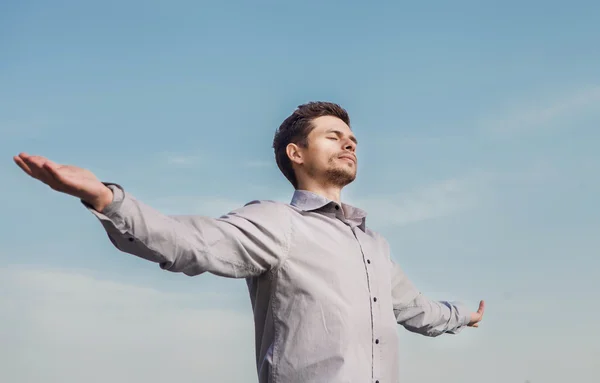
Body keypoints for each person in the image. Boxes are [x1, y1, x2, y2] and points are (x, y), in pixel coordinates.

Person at [14, 101, 484, 383]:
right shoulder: (278, 224)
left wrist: (464, 315)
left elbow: (417, 309)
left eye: (353, 138)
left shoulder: (373, 246)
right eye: (334, 136)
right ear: (295, 154)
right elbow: (189, 242)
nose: (349, 143)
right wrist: (107, 199)